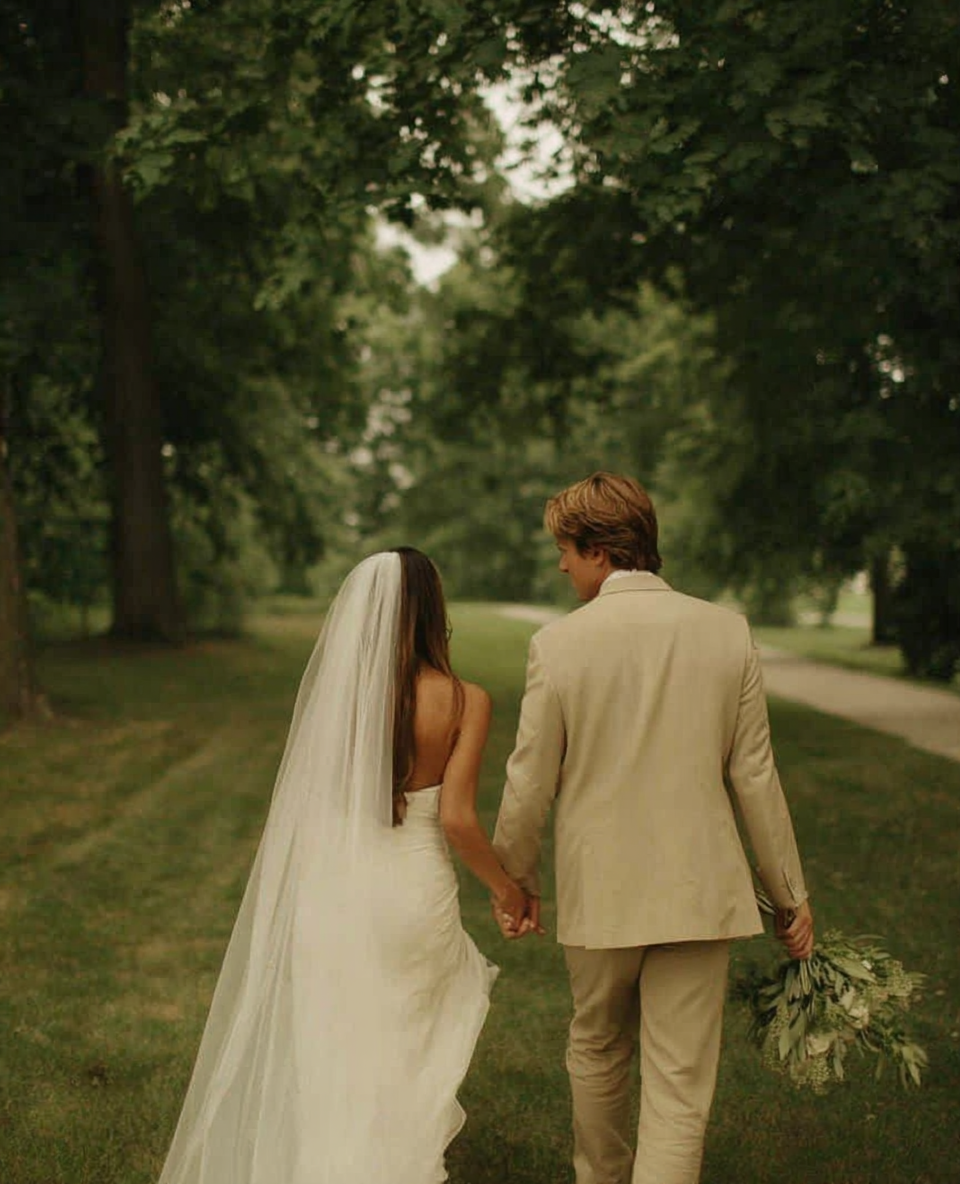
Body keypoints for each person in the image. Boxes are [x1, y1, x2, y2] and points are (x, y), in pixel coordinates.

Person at [157, 547, 525, 1184]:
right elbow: (460, 821)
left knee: (338, 1048)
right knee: (407, 1047)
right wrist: (506, 890)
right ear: (432, 612)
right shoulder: (465, 701)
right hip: (411, 892)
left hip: (334, 889)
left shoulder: (341, 704)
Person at [491, 472, 814, 1184]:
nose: (561, 564)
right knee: (679, 1080)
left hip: (600, 891)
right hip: (700, 890)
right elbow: (754, 776)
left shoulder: (559, 644)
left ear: (600, 549)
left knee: (599, 1047)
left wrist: (515, 878)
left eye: (566, 550)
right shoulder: (726, 631)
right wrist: (789, 894)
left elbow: (528, 781)